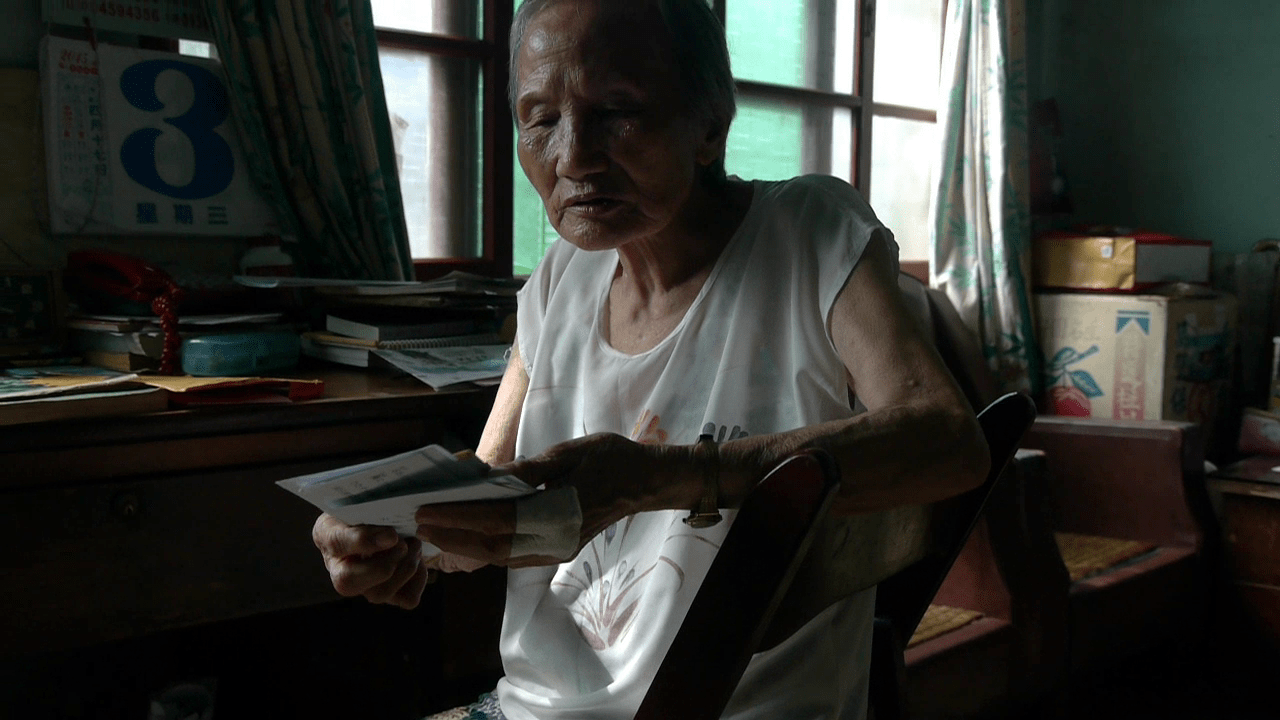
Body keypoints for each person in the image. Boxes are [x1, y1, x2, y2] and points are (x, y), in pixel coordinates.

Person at [312, 1, 989, 718]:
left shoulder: (809, 236)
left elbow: (950, 440)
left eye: (617, 112)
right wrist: (395, 536)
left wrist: (659, 478)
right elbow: (492, 505)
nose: (572, 156)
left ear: (710, 127)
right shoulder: (559, 281)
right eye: (540, 119)